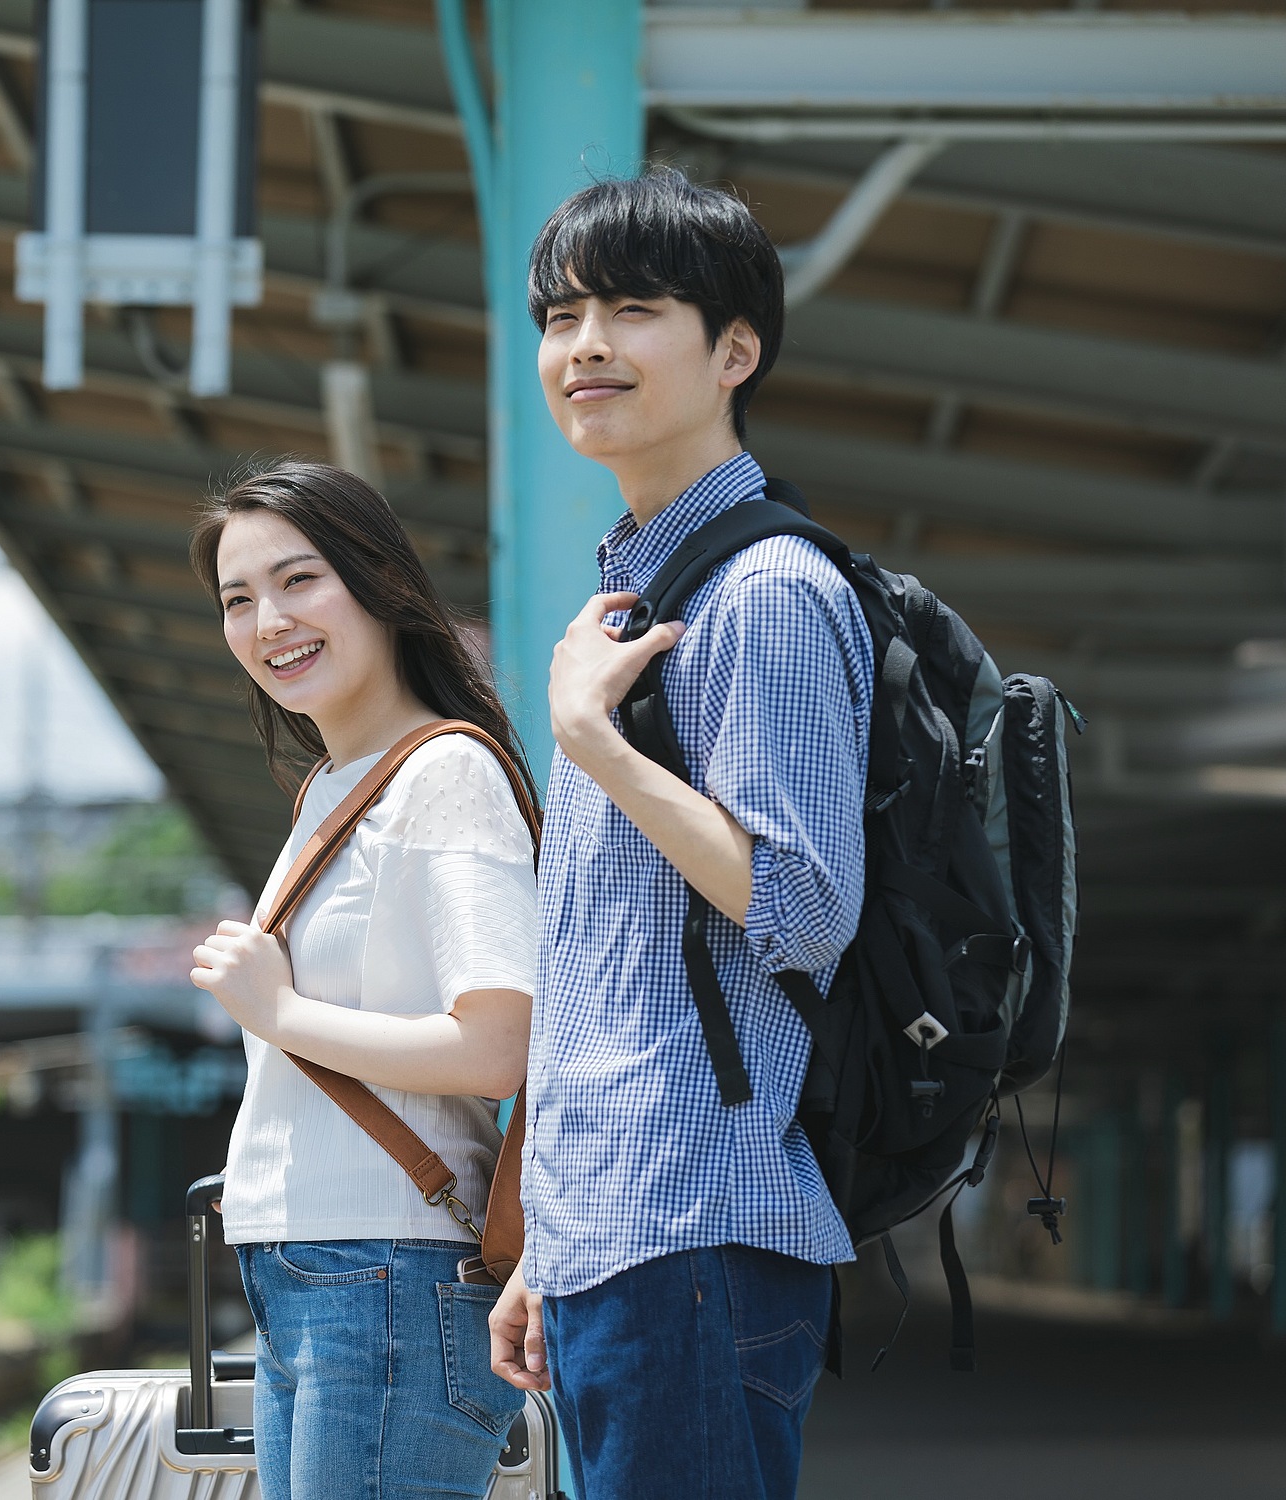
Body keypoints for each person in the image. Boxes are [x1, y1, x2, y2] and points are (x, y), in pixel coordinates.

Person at [486, 170, 874, 1498]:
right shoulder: (633, 595)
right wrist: (552, 1232)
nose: (585, 344)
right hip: (623, 1233)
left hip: (699, 1228)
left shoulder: (765, 590)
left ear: (734, 351)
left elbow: (805, 910)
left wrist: (594, 745)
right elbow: (610, 968)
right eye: (561, 315)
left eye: (633, 308)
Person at [187, 461, 541, 1500]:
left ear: (379, 581)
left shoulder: (443, 776)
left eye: (299, 581)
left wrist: (281, 1011)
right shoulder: (330, 790)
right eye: (237, 600)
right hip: (317, 1274)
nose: (268, 622)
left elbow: (496, 1045)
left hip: (385, 1271)